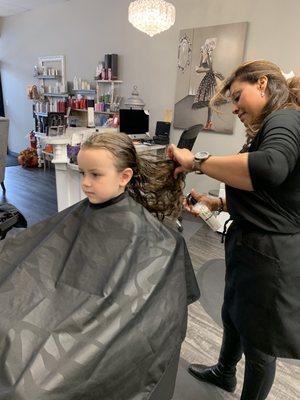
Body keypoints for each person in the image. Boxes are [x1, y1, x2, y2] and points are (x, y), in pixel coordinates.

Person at [0, 132, 200, 400]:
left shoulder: (156, 240)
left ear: (124, 177)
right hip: (58, 307)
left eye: (95, 175)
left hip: (95, 328)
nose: (84, 183)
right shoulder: (80, 216)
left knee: (28, 388)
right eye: (82, 173)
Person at [167, 60, 300, 399]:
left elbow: (271, 168)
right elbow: (273, 194)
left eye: (239, 97)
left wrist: (196, 162)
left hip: (270, 255)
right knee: (234, 314)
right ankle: (225, 372)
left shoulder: (285, 117)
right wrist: (219, 204)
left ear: (263, 84)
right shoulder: (269, 123)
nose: (236, 108)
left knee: (258, 343)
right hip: (249, 243)